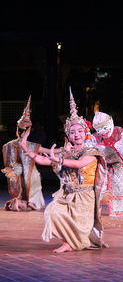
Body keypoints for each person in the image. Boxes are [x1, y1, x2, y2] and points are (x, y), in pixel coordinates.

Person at [19, 88, 108, 253]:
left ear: (86, 133)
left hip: (85, 196)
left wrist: (59, 159)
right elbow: (43, 159)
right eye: (72, 132)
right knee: (52, 212)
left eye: (80, 131)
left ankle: (74, 242)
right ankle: (67, 242)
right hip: (68, 194)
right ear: (68, 135)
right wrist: (26, 149)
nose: (77, 135)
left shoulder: (92, 151)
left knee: (80, 226)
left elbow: (80, 164)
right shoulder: (67, 151)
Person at [1, 96, 45, 211]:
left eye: (24, 130)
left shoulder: (30, 145)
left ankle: (19, 202)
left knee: (29, 182)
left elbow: (46, 152)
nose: (21, 132)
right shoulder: (9, 145)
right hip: (19, 174)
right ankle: (25, 202)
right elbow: (47, 152)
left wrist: (63, 150)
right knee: (31, 197)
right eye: (20, 130)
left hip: (26, 175)